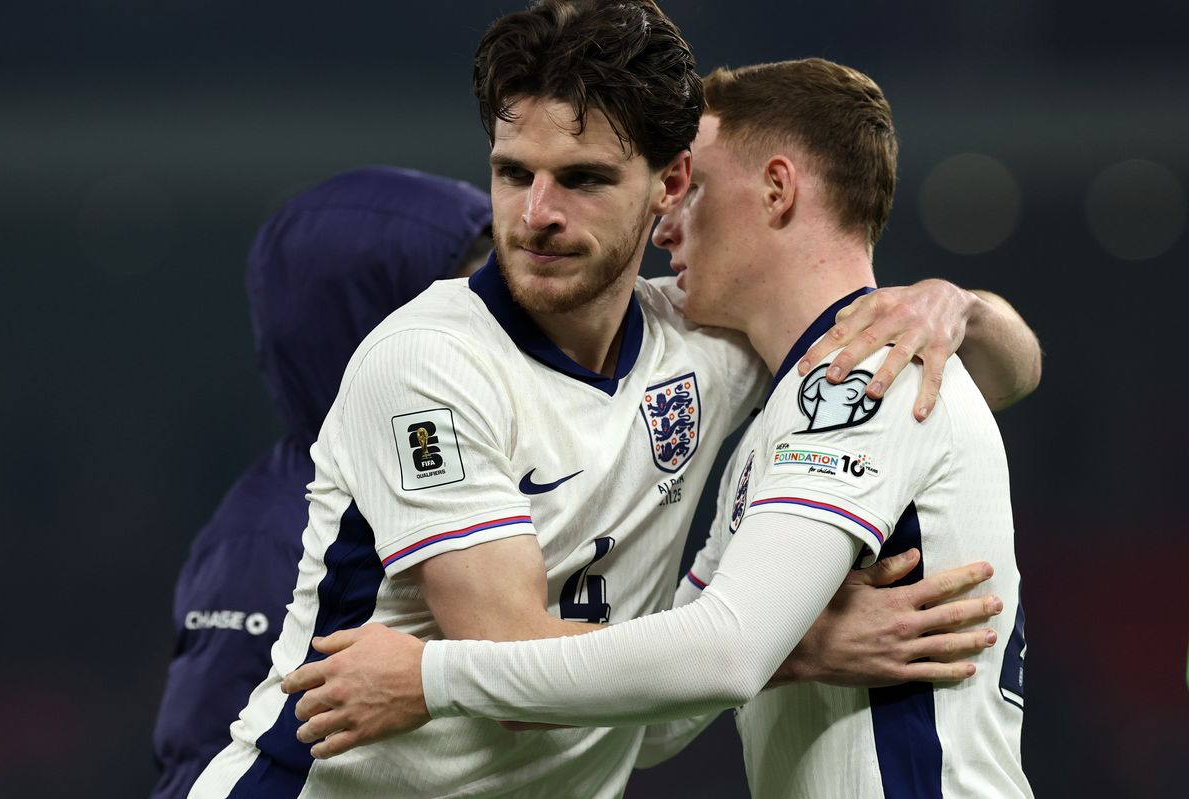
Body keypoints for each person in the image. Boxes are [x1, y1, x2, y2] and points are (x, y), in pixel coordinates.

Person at [194, 3, 1039, 797]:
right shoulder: (427, 364)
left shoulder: (717, 346)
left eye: (584, 179)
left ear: (668, 184)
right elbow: (513, 667)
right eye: (512, 172)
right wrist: (794, 642)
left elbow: (974, 386)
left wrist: (953, 304)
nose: (536, 215)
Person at [151, 165, 493, 799]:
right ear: (376, 316)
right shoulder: (269, 535)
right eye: (467, 289)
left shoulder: (448, 479)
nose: (499, 313)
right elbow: (206, 763)